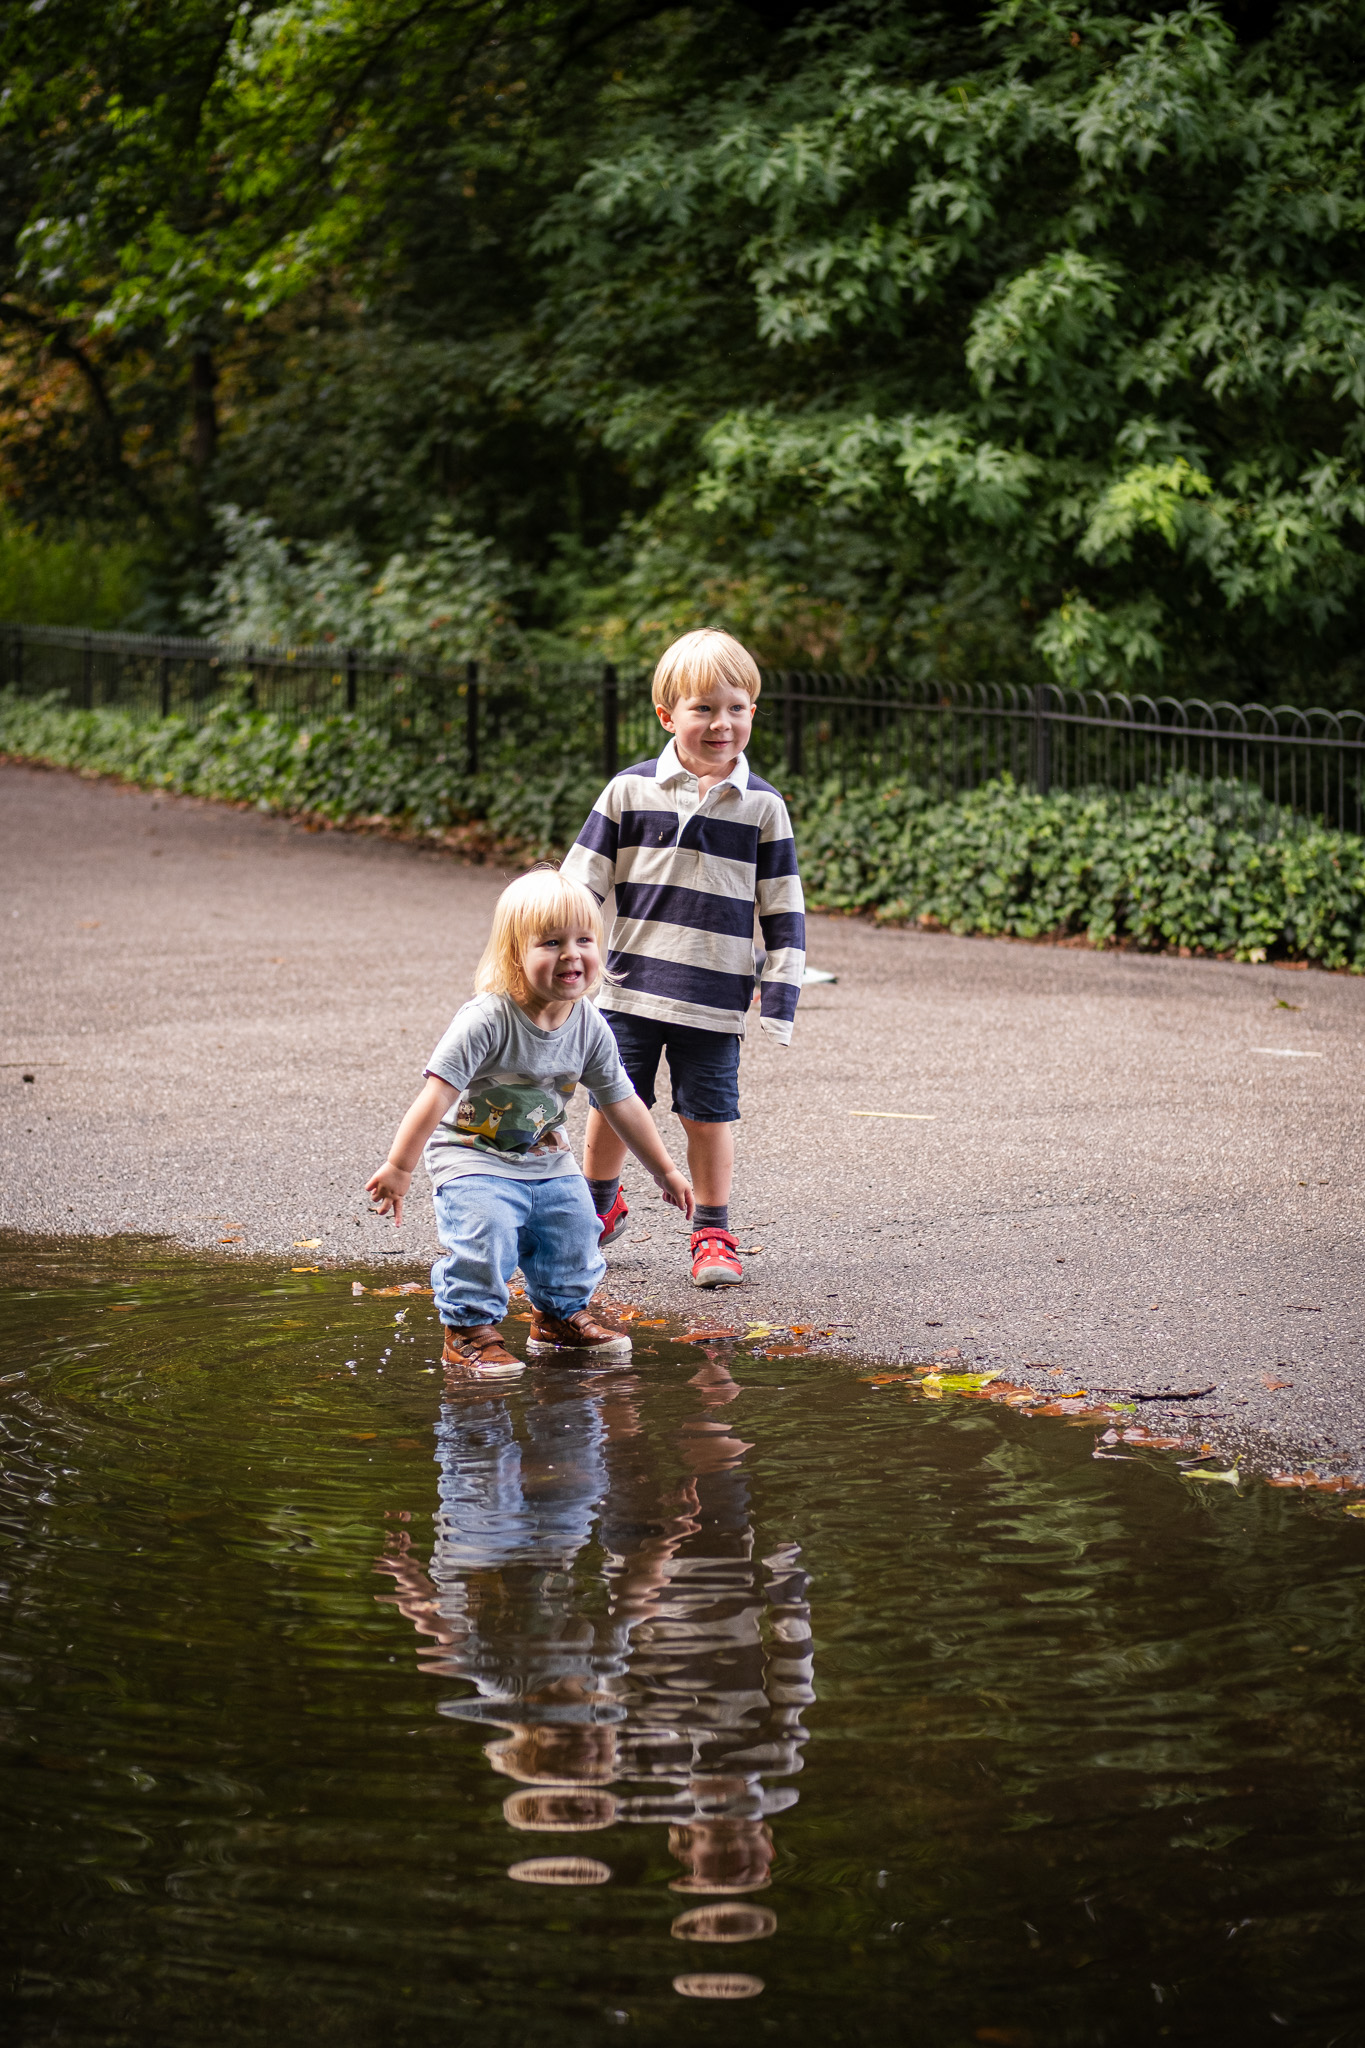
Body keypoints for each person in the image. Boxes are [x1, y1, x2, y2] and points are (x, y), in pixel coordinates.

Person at [365, 867, 694, 1374]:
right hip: (471, 1153)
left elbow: (622, 1101)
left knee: (575, 1225)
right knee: (486, 1230)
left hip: (545, 1154)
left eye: (584, 939)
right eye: (550, 942)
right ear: (514, 955)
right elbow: (435, 1096)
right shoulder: (486, 1019)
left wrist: (664, 1170)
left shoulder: (587, 1023)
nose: (571, 953)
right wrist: (399, 1167)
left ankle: (558, 1316)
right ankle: (468, 1330)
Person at [560, 627, 806, 1288]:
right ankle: (594, 1207)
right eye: (702, 709)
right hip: (629, 989)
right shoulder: (628, 792)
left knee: (707, 1114)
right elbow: (579, 885)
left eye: (735, 707)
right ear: (668, 716)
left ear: (753, 711)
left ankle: (711, 1232)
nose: (720, 723)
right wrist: (558, 966)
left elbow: (783, 906)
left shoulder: (762, 807)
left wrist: (778, 991)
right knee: (614, 1102)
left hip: (715, 996)